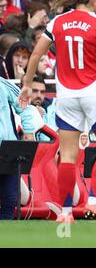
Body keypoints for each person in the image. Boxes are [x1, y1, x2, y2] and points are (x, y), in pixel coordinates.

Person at [18, 0, 96, 224]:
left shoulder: (58, 22)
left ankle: (66, 212)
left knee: (67, 156)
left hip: (66, 95)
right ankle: (95, 201)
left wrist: (26, 83)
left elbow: (37, 53)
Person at [0, 76, 38, 219]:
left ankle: (6, 238)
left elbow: (25, 105)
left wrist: (28, 131)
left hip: (7, 150)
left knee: (10, 199)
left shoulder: (3, 84)